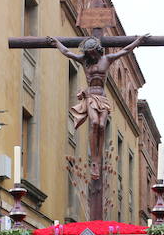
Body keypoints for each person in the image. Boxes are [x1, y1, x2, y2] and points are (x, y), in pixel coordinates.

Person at [46, 33, 148, 179]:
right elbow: (67, 53)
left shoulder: (106, 59)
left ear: (98, 50)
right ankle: (94, 159)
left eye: (92, 52)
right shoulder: (84, 61)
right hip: (91, 97)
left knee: (101, 125)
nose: (90, 55)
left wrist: (138, 41)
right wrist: (57, 43)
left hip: (102, 97)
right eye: (88, 53)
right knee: (94, 123)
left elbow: (125, 51)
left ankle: (98, 156)